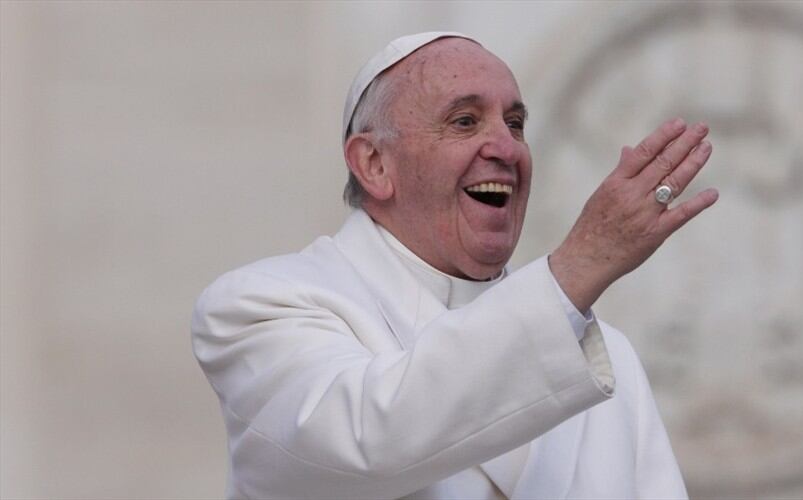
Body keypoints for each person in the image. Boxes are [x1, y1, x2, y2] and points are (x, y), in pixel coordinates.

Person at [191, 32, 718, 499]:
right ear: (374, 164)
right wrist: (579, 266)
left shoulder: (608, 358)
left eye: (515, 124)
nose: (506, 148)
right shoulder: (260, 306)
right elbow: (366, 441)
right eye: (464, 121)